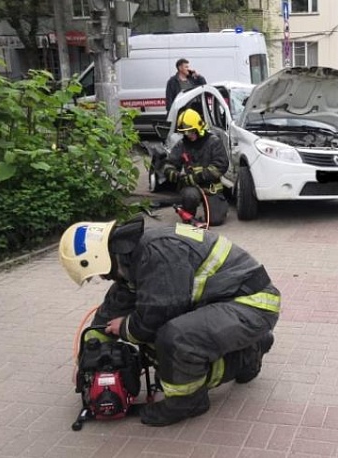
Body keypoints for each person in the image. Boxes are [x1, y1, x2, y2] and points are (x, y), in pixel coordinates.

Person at [59, 218, 280, 426]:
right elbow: (122, 297)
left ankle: (189, 402)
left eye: (99, 274)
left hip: (253, 305)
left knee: (176, 339)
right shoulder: (132, 253)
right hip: (226, 300)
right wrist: (92, 347)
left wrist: (125, 328)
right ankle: (248, 350)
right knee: (159, 351)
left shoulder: (156, 253)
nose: (101, 278)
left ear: (99, 258)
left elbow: (159, 312)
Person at [162, 109, 230, 226]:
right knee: (190, 196)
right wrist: (174, 174)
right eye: (185, 133)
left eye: (190, 131)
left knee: (215, 220)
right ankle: (189, 213)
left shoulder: (213, 142)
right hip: (191, 187)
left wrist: (199, 176)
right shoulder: (182, 145)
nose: (188, 135)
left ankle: (218, 207)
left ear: (199, 128)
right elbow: (169, 164)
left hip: (211, 187)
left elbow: (221, 165)